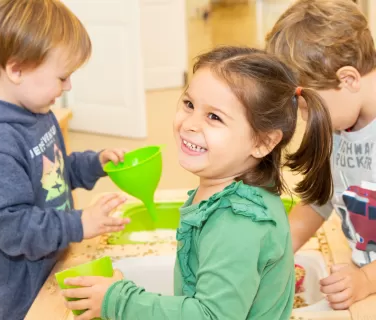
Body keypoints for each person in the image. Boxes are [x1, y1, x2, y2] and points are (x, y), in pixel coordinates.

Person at [59, 45, 334, 320]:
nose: (189, 123)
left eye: (214, 117)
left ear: (263, 142)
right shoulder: (224, 190)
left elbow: (211, 315)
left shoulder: (239, 223)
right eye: (189, 104)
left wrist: (118, 300)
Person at [0, 0, 130, 319]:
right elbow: (11, 226)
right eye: (62, 77)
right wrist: (79, 223)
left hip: (47, 268)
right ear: (16, 69)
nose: (68, 85)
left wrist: (93, 163)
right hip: (14, 300)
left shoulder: (34, 110)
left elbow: (50, 173)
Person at [266, 0, 376, 309]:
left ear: (348, 79)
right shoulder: (340, 125)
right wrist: (278, 251)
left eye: (308, 106)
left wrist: (367, 280)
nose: (304, 118)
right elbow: (320, 200)